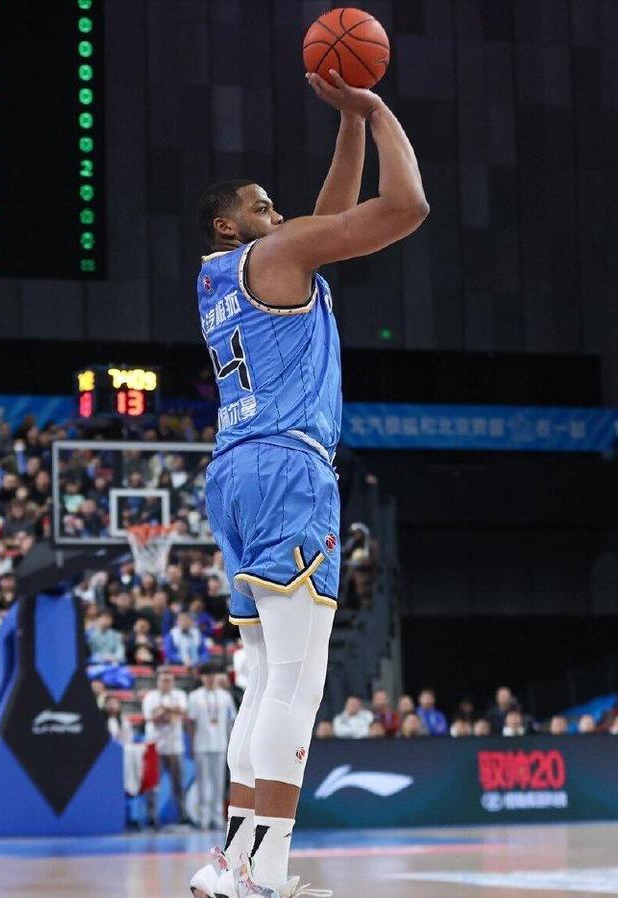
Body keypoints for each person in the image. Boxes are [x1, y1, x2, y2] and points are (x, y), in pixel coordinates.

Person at [190, 68, 428, 898]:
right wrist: (377, 106)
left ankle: (231, 862)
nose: (279, 214)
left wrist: (348, 126)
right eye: (263, 206)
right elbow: (407, 207)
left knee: (262, 678)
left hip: (234, 468)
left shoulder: (222, 277)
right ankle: (267, 870)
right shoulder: (277, 255)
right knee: (296, 681)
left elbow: (323, 219)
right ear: (229, 223)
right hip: (288, 468)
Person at [186, 662, 237, 831]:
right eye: (207, 676)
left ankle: (217, 816)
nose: (210, 679)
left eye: (213, 676)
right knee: (202, 783)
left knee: (218, 783)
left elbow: (231, 721)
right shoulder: (195, 697)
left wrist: (231, 743)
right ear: (202, 678)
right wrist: (192, 744)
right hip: (201, 744)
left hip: (220, 744)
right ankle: (203, 817)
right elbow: (191, 722)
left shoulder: (225, 696)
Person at [142, 668, 188, 827]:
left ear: (173, 682)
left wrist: (163, 711)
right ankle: (152, 817)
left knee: (178, 784)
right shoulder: (150, 697)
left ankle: (182, 815)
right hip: (155, 746)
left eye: (169, 680)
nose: (166, 683)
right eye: (163, 680)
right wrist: (170, 712)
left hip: (175, 746)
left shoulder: (180, 695)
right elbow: (152, 718)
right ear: (158, 682)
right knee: (153, 784)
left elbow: (181, 711)